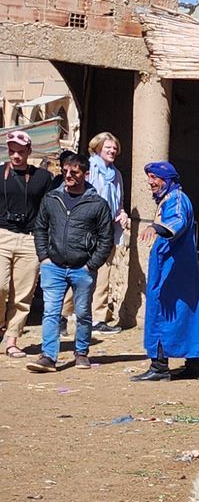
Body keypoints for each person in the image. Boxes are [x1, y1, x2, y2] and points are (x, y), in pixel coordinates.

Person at [26, 147, 113, 372]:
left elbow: (106, 238)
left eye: (74, 172)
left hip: (82, 267)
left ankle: (81, 352)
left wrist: (91, 264)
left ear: (86, 174)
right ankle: (48, 356)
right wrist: (44, 257)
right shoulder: (52, 198)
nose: (68, 176)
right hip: (53, 266)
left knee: (83, 313)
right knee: (51, 312)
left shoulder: (98, 204)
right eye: (65, 171)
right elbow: (41, 228)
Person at [134, 160, 199, 380]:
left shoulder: (175, 199)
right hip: (177, 266)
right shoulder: (171, 198)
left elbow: (177, 221)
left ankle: (159, 366)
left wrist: (156, 227)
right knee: (186, 312)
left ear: (167, 179)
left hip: (172, 268)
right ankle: (195, 363)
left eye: (155, 178)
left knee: (161, 311)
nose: (151, 182)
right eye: (149, 178)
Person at [0, 129, 54, 358]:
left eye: (21, 152)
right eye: (12, 151)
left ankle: (11, 340)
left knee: (22, 294)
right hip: (2, 235)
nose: (16, 156)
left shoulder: (42, 177)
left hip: (30, 239)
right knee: (0, 286)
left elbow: (49, 209)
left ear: (29, 151)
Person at [85, 133, 131, 334]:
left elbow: (118, 203)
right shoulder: (88, 169)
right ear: (97, 148)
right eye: (108, 148)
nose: (112, 151)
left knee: (104, 273)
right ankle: (66, 315)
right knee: (79, 271)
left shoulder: (117, 175)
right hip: (87, 227)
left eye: (114, 148)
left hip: (107, 230)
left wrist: (122, 214)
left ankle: (98, 318)